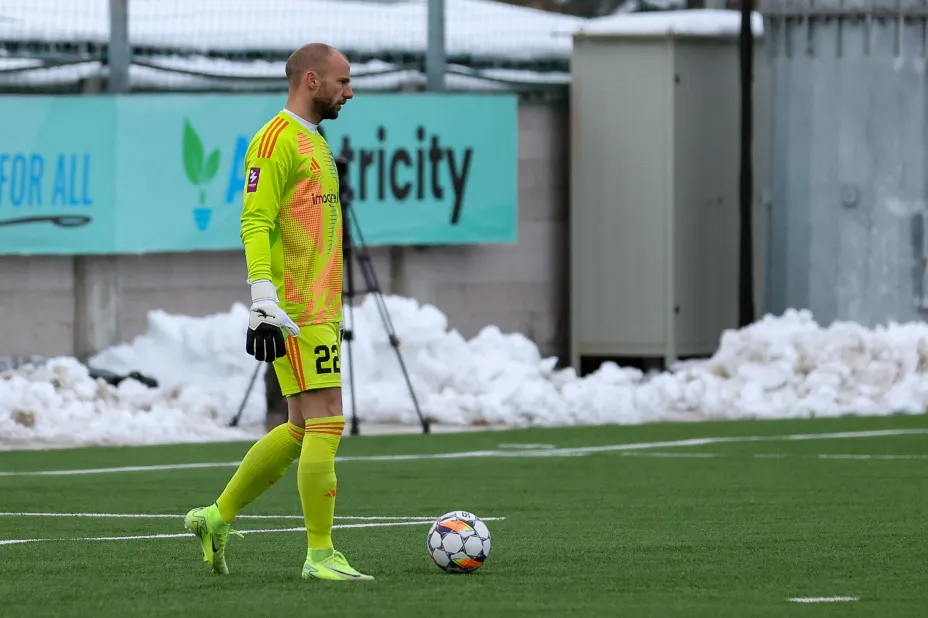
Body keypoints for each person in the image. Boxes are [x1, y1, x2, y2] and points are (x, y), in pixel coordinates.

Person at [183, 42, 372, 582]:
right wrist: (263, 299)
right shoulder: (274, 141)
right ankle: (320, 554)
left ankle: (216, 518)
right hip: (296, 308)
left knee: (300, 426)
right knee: (328, 418)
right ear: (311, 80)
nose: (350, 92)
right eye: (342, 81)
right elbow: (255, 220)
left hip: (319, 305)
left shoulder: (315, 141)